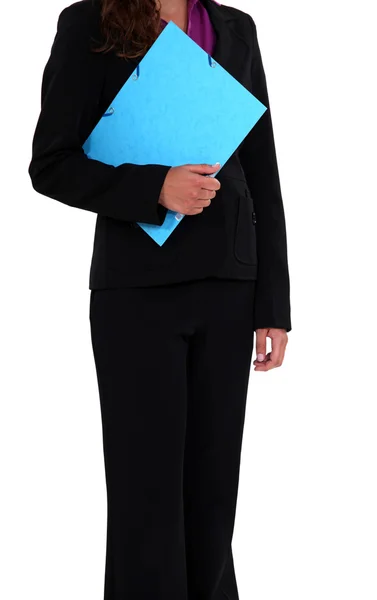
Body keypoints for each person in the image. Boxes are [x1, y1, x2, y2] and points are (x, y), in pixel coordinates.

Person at [28, 0, 292, 598]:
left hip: (229, 283)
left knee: (212, 499)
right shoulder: (88, 22)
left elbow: (261, 167)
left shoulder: (234, 28)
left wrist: (274, 301)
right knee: (145, 500)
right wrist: (155, 187)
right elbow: (50, 164)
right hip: (137, 292)